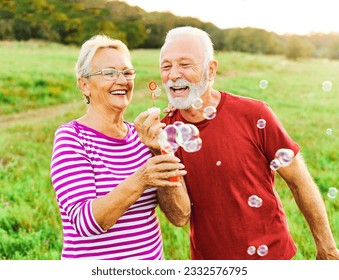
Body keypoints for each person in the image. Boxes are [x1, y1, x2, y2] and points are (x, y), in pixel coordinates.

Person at [135, 26, 339, 260]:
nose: (173, 75)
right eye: (166, 66)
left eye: (185, 64)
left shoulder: (253, 114)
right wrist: (159, 152)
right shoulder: (164, 133)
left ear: (210, 70)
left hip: (272, 260)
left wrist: (327, 247)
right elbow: (180, 217)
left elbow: (298, 181)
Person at [50, 34, 190, 260]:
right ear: (84, 84)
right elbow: (86, 223)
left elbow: (180, 216)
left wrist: (158, 150)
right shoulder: (71, 138)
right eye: (109, 73)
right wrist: (141, 178)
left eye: (127, 72)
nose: (122, 80)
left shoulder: (141, 137)